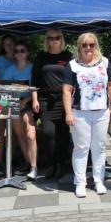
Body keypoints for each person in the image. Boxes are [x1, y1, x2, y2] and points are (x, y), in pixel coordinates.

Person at [63, 32, 111, 198]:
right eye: (84, 45)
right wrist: (68, 113)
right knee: (81, 148)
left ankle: (99, 181)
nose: (88, 48)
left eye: (91, 44)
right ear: (79, 46)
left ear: (96, 46)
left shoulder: (105, 62)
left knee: (99, 148)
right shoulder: (72, 65)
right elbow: (66, 90)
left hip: (101, 112)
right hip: (80, 113)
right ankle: (80, 183)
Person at [33, 29, 73, 178]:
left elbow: (73, 79)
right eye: (50, 38)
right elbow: (34, 80)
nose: (54, 40)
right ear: (47, 40)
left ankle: (61, 163)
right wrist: (35, 98)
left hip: (64, 99)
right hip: (45, 100)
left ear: (61, 39)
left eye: (57, 38)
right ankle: (51, 163)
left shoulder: (68, 57)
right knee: (49, 132)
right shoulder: (41, 56)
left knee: (63, 133)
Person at [0, 41, 38, 180]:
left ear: (27, 53)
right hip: (12, 103)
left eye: (22, 50)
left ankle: (34, 166)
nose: (19, 53)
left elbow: (35, 88)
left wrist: (26, 101)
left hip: (28, 103)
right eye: (16, 51)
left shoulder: (33, 68)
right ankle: (29, 164)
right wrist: (16, 101)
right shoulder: (9, 70)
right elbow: (4, 88)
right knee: (20, 135)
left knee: (30, 135)